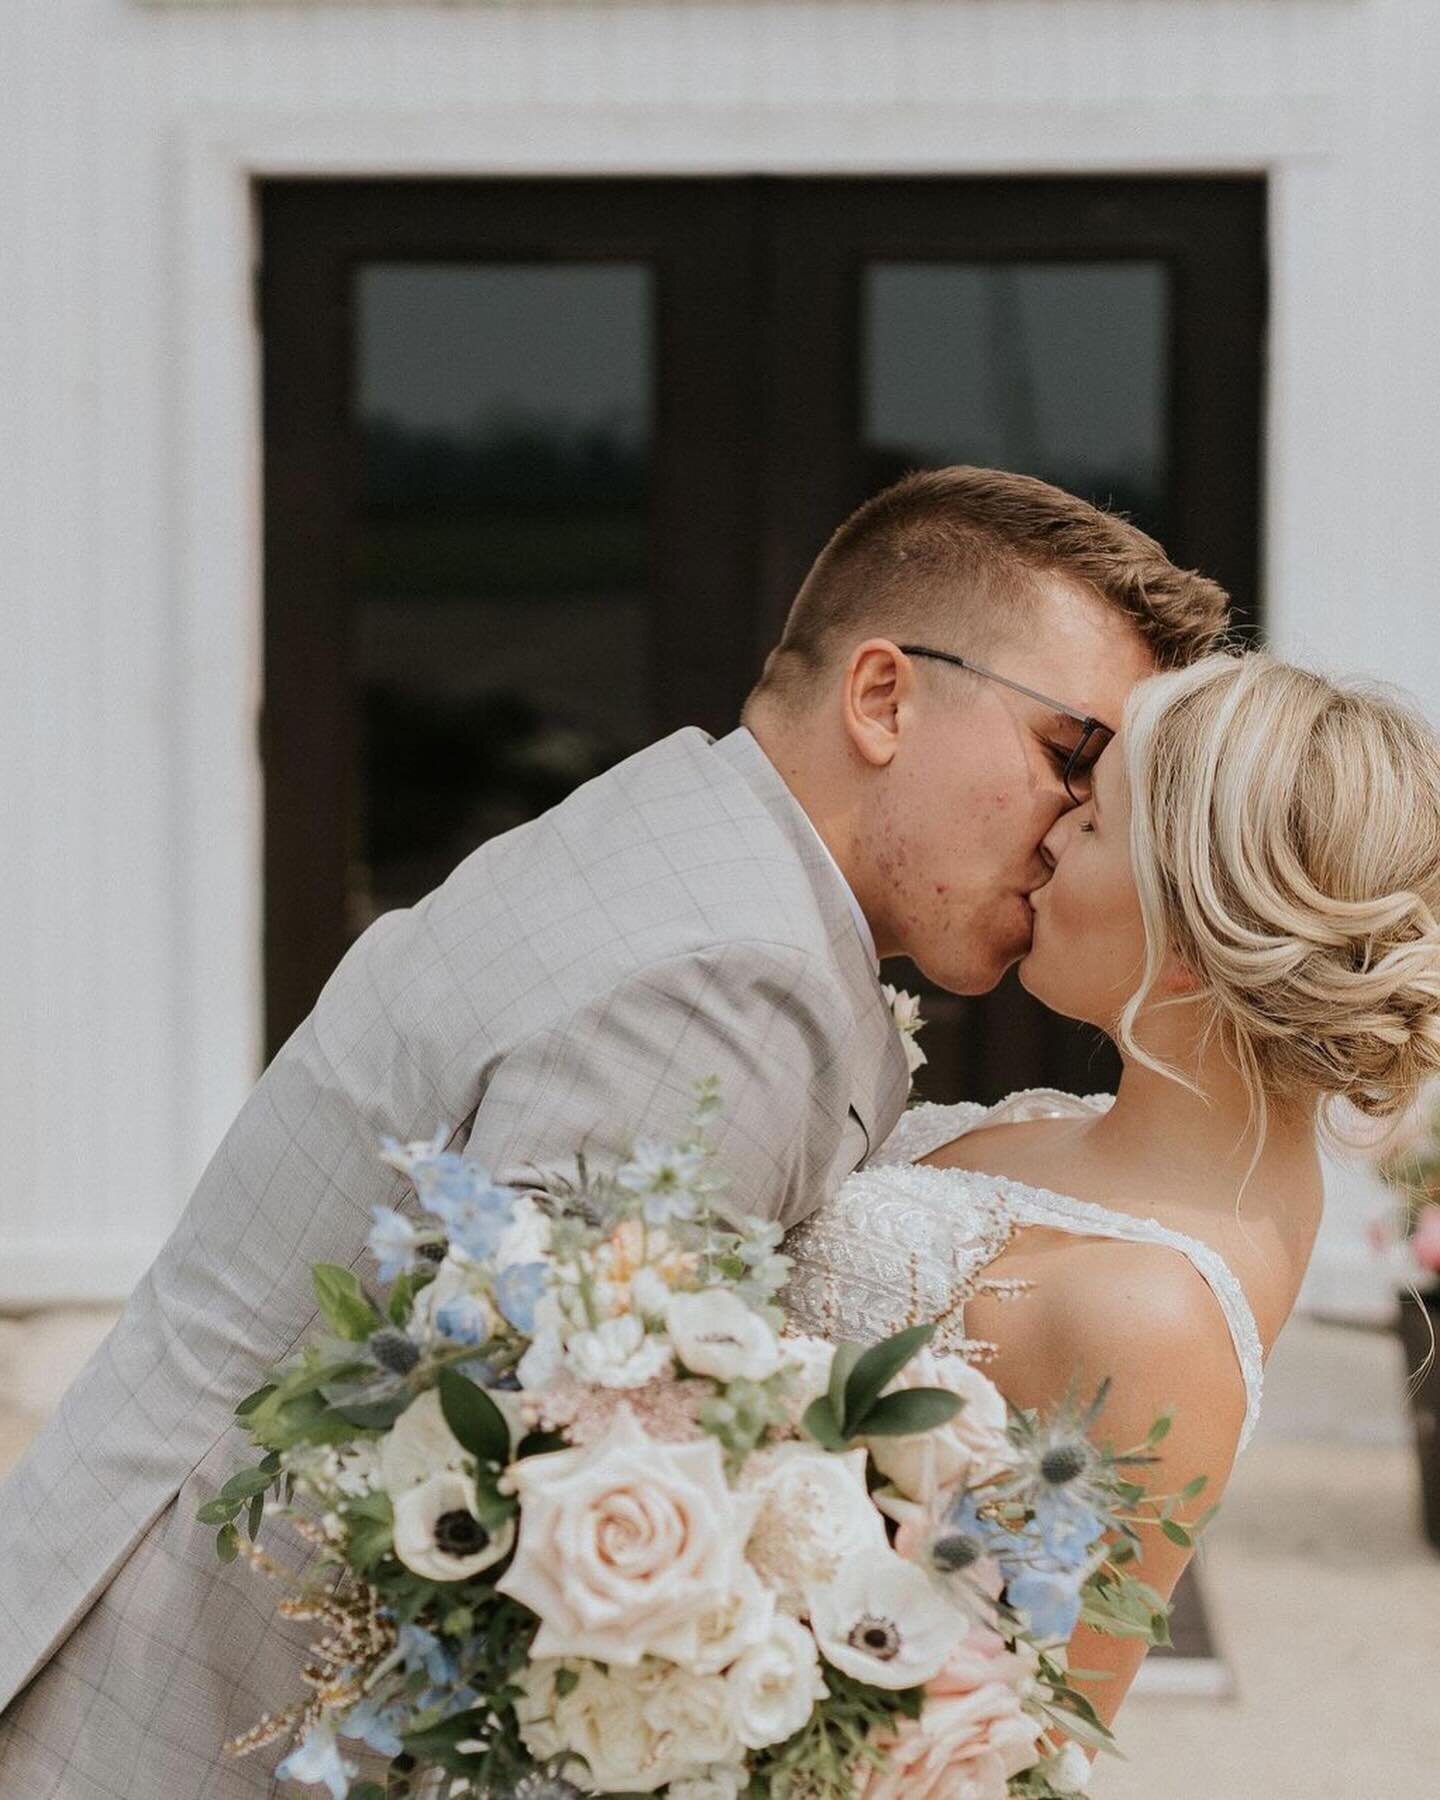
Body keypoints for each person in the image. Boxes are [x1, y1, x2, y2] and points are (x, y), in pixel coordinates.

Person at [0, 467, 1226, 1794]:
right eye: (1068, 758)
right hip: (191, 1715)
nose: (1074, 833)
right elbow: (563, 1527)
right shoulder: (726, 984)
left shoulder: (678, 834)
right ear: (883, 697)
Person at [781, 649, 1440, 1749]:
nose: (1044, 833)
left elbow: (1023, 1742)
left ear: (1186, 936)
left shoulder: (1153, 1313)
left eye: (1089, 822)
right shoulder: (1085, 1127)